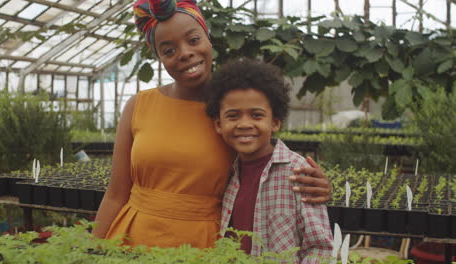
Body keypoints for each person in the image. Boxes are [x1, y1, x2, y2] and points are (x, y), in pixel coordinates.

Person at [91, 0, 332, 249]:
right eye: (169, 50)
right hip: (131, 239)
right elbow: (116, 193)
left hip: (203, 246)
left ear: (208, 38)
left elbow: (267, 166)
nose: (184, 53)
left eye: (193, 40)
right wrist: (88, 250)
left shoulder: (234, 112)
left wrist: (316, 188)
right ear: (159, 57)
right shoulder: (138, 105)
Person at [205, 58, 333, 263]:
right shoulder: (226, 171)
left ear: (275, 122)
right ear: (218, 124)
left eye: (256, 115)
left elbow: (319, 247)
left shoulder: (298, 172)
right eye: (233, 115)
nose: (244, 124)